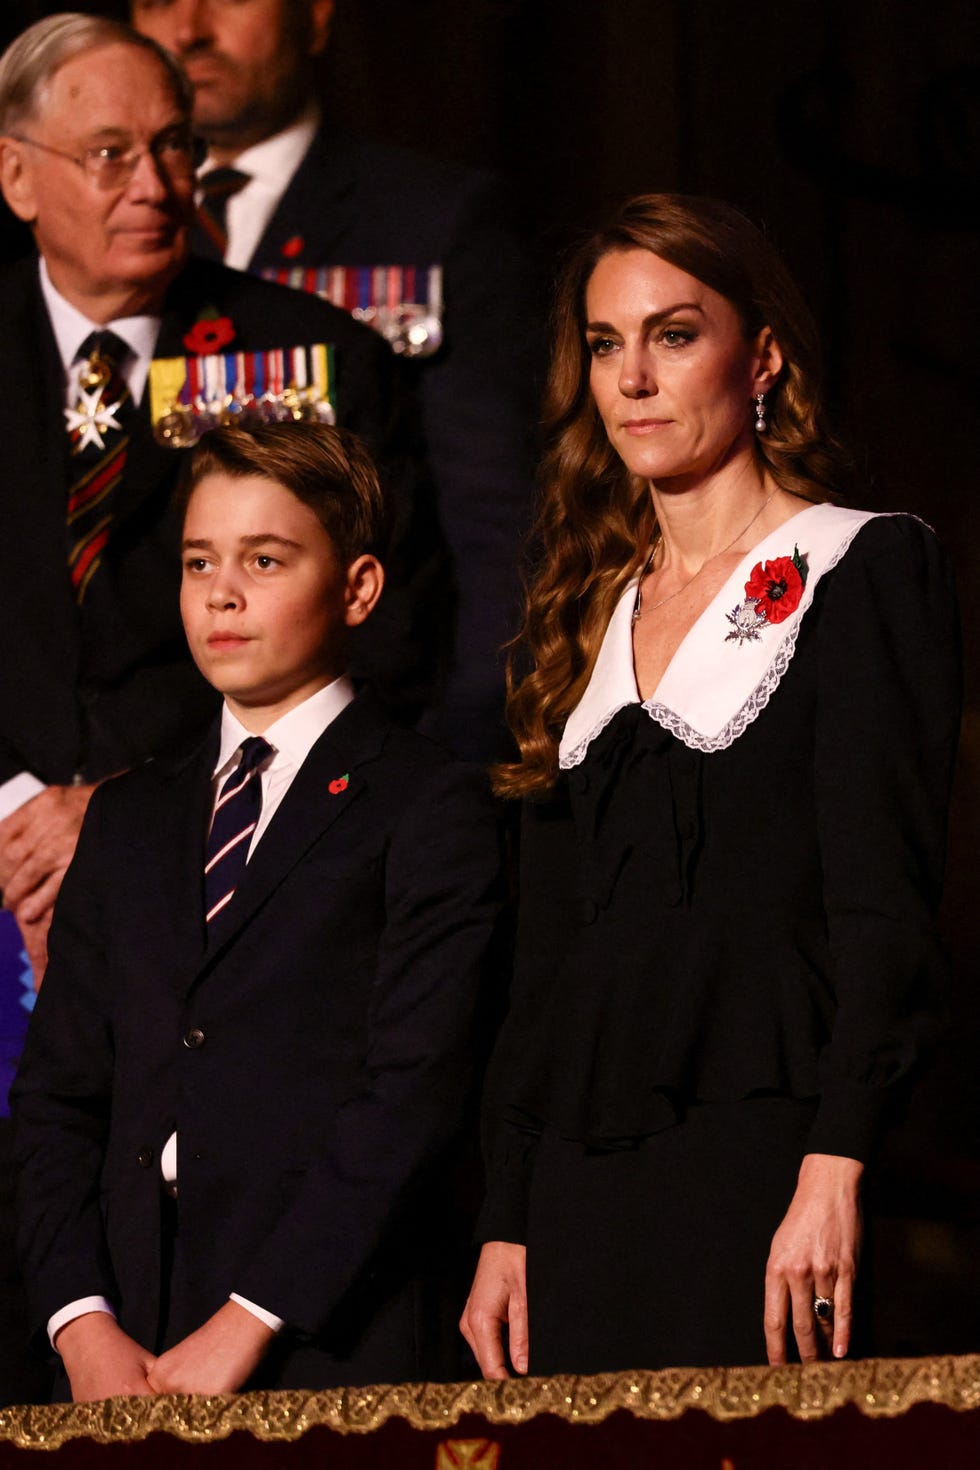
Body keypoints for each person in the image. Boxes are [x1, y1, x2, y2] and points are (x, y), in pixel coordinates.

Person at [459, 193, 961, 1377]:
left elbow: (881, 909)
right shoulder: (579, 614)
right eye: (603, 343)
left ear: (762, 357)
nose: (632, 377)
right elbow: (543, 965)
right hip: (580, 1178)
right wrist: (504, 1214)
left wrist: (836, 1164)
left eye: (673, 335)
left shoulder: (857, 565)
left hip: (765, 1156)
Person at [11, 422, 503, 1400]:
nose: (221, 594)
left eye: (264, 560)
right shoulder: (126, 818)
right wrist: (80, 1322)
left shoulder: (426, 804)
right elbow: (59, 1098)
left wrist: (251, 1317)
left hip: (328, 1348)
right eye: (200, 562)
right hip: (129, 1348)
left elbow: (410, 1095)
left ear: (358, 587)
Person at [0, 11, 401, 988]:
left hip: (226, 852)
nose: (154, 184)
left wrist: (123, 801)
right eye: (109, 154)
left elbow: (382, 630)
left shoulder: (307, 356)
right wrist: (19, 810)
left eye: (173, 146)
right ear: (18, 176)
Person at [129, 0, 536, 761]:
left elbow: (498, 536)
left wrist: (447, 764)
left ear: (315, 17)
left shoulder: (430, 221)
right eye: (156, 1)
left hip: (372, 748)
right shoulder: (105, 234)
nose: (189, 29)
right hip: (149, 767)